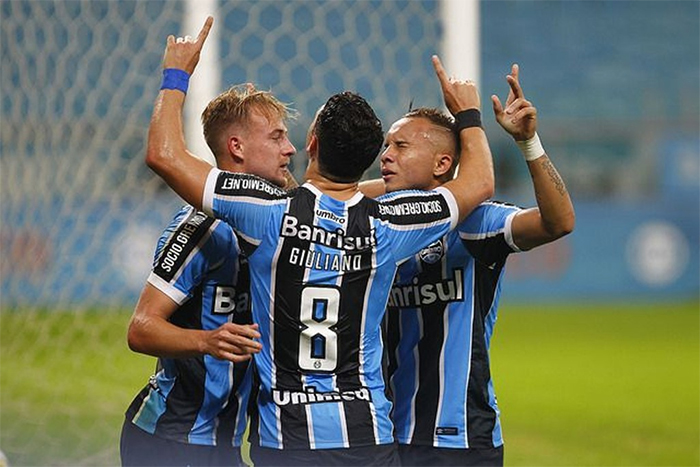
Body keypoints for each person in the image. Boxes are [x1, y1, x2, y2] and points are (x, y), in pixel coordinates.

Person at [144, 16, 494, 466]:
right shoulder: (391, 224)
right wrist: (468, 114)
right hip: (366, 438)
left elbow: (164, 155)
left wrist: (176, 75)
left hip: (286, 440)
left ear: (312, 143)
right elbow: (479, 183)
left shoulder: (267, 212)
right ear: (372, 160)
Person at [380, 65, 575, 466]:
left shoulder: (475, 223)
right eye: (386, 145)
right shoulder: (378, 219)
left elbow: (558, 222)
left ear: (441, 164)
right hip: (385, 432)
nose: (386, 155)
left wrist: (529, 143)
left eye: (400, 146)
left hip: (463, 437)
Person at [120, 83, 297, 466]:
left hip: (225, 442)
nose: (289, 149)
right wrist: (206, 341)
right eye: (276, 137)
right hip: (170, 438)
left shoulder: (281, 220)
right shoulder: (202, 229)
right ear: (237, 147)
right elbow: (141, 329)